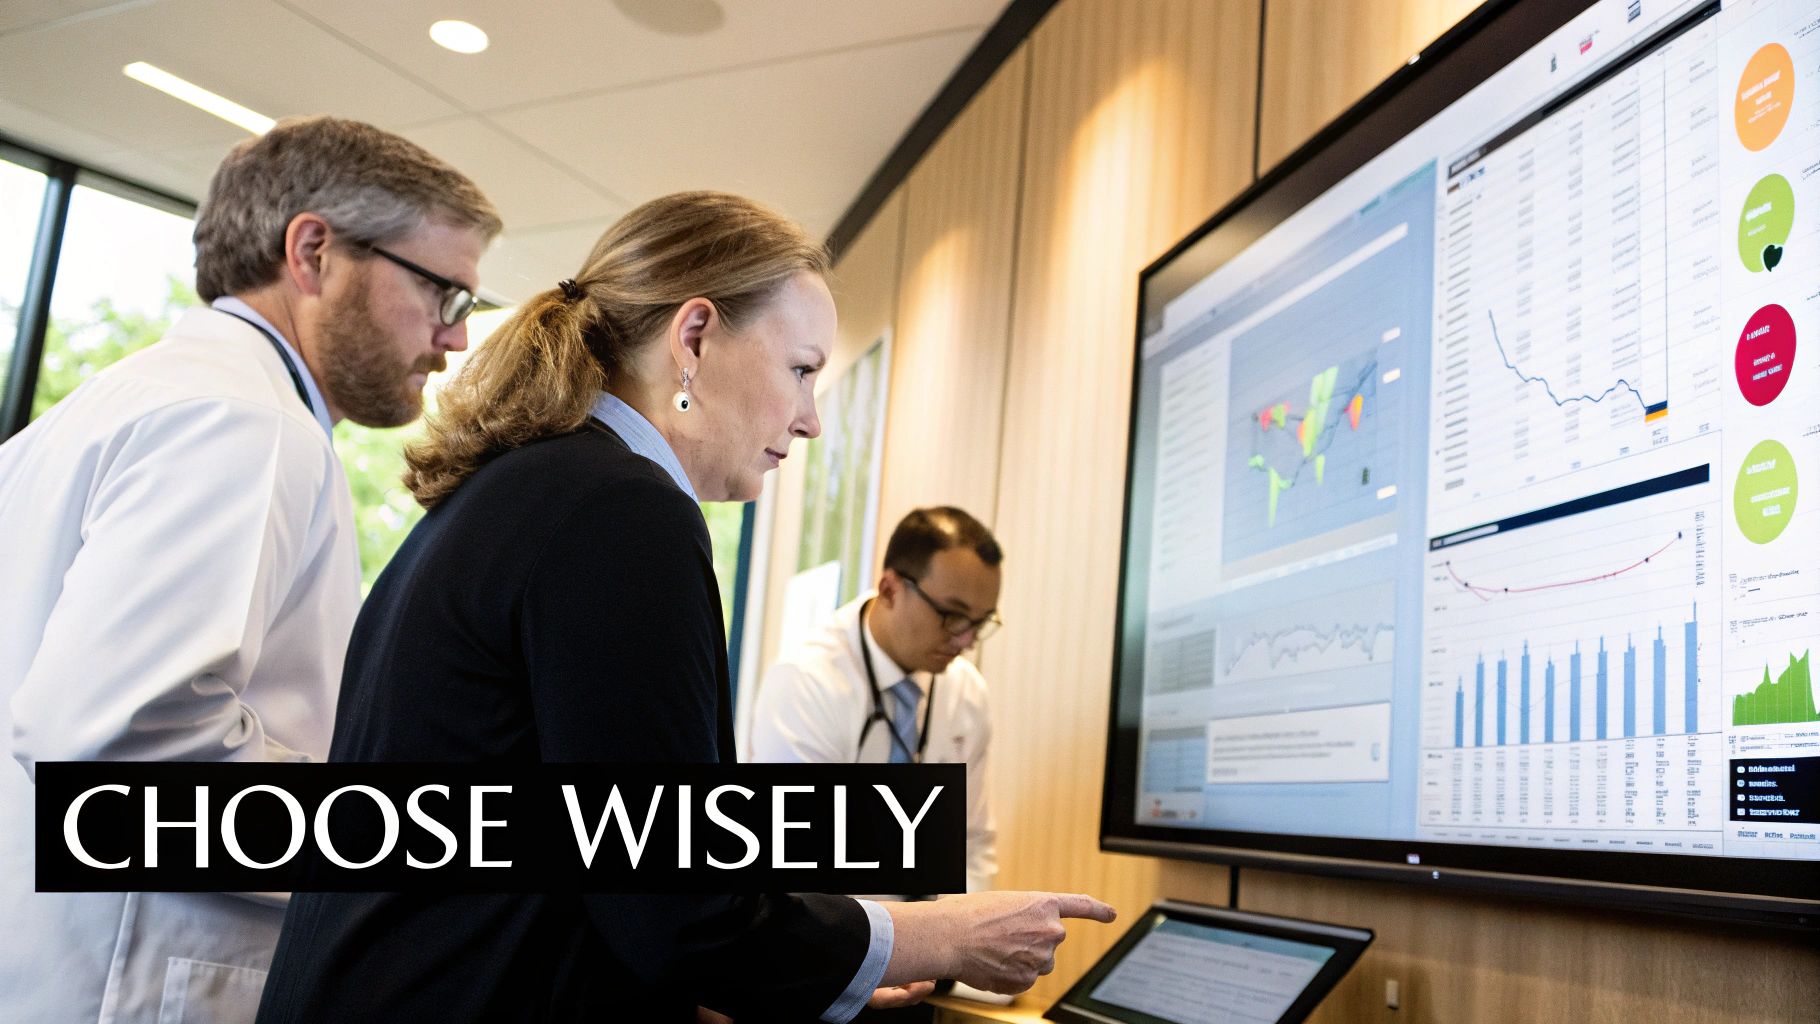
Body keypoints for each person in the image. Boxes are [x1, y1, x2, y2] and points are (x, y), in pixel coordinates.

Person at [255, 191, 1113, 1023]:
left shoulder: (526, 487)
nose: (811, 420)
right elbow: (676, 895)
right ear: (694, 337)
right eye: (802, 371)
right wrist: (941, 935)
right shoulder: (621, 512)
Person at [0, 115, 500, 1022]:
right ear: (313, 252)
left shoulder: (115, 406)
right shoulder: (242, 422)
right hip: (131, 982)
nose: (455, 340)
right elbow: (120, 753)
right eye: (445, 295)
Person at [750, 507, 1003, 897]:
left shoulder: (965, 692)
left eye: (981, 623)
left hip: (936, 944)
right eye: (953, 616)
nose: (966, 641)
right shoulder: (806, 684)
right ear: (890, 589)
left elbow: (971, 844)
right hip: (828, 946)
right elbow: (803, 872)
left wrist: (964, 941)